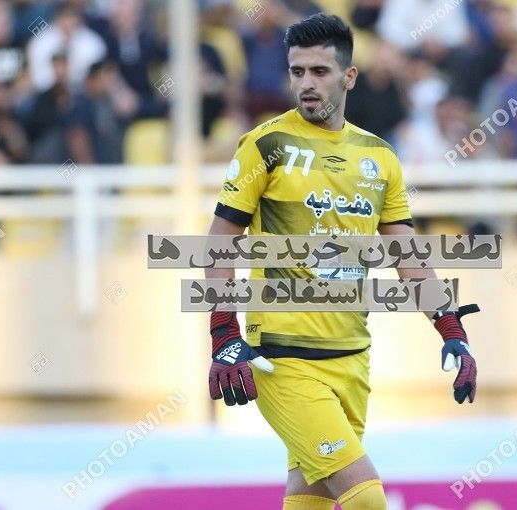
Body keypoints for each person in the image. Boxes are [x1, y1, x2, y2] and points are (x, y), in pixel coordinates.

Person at [205, 14, 479, 510]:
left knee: (309, 499)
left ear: (349, 76)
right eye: (298, 72)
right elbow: (220, 241)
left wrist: (450, 327)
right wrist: (224, 331)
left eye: (320, 71)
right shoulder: (266, 145)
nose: (306, 84)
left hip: (352, 356)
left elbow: (407, 255)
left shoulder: (380, 157)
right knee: (366, 498)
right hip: (282, 358)